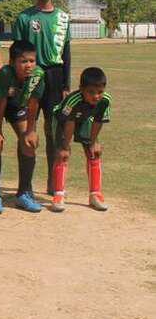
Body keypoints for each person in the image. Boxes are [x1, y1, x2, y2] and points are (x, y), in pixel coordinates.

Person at [12, 0, 71, 195]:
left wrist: (66, 85)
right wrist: (18, 82)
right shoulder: (25, 17)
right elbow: (16, 53)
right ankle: (25, 186)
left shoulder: (63, 18)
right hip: (31, 76)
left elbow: (66, 52)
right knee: (27, 130)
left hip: (55, 76)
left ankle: (53, 182)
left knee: (54, 131)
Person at [0, 40, 46, 213]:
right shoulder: (5, 73)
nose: (29, 65)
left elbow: (33, 103)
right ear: (12, 62)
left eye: (32, 61)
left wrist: (30, 131)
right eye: (23, 61)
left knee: (28, 143)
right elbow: (1, 103)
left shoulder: (38, 74)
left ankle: (23, 193)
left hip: (18, 105)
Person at [50, 67, 112, 213]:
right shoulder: (74, 100)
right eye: (91, 92)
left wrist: (93, 142)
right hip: (63, 121)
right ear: (81, 89)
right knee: (62, 155)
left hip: (85, 119)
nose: (96, 96)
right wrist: (65, 146)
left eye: (100, 92)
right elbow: (69, 122)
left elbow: (98, 121)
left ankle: (95, 194)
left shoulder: (105, 100)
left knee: (94, 153)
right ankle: (58, 194)